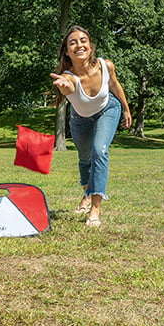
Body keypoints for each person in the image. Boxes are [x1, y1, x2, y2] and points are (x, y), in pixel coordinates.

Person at [50, 26, 132, 227]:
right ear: (67, 52)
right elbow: (69, 84)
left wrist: (126, 109)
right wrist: (65, 86)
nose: (79, 45)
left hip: (107, 110)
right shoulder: (68, 76)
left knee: (99, 151)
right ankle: (86, 194)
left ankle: (95, 209)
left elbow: (114, 85)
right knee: (85, 158)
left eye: (83, 40)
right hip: (80, 118)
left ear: (90, 45)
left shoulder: (106, 65)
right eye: (73, 42)